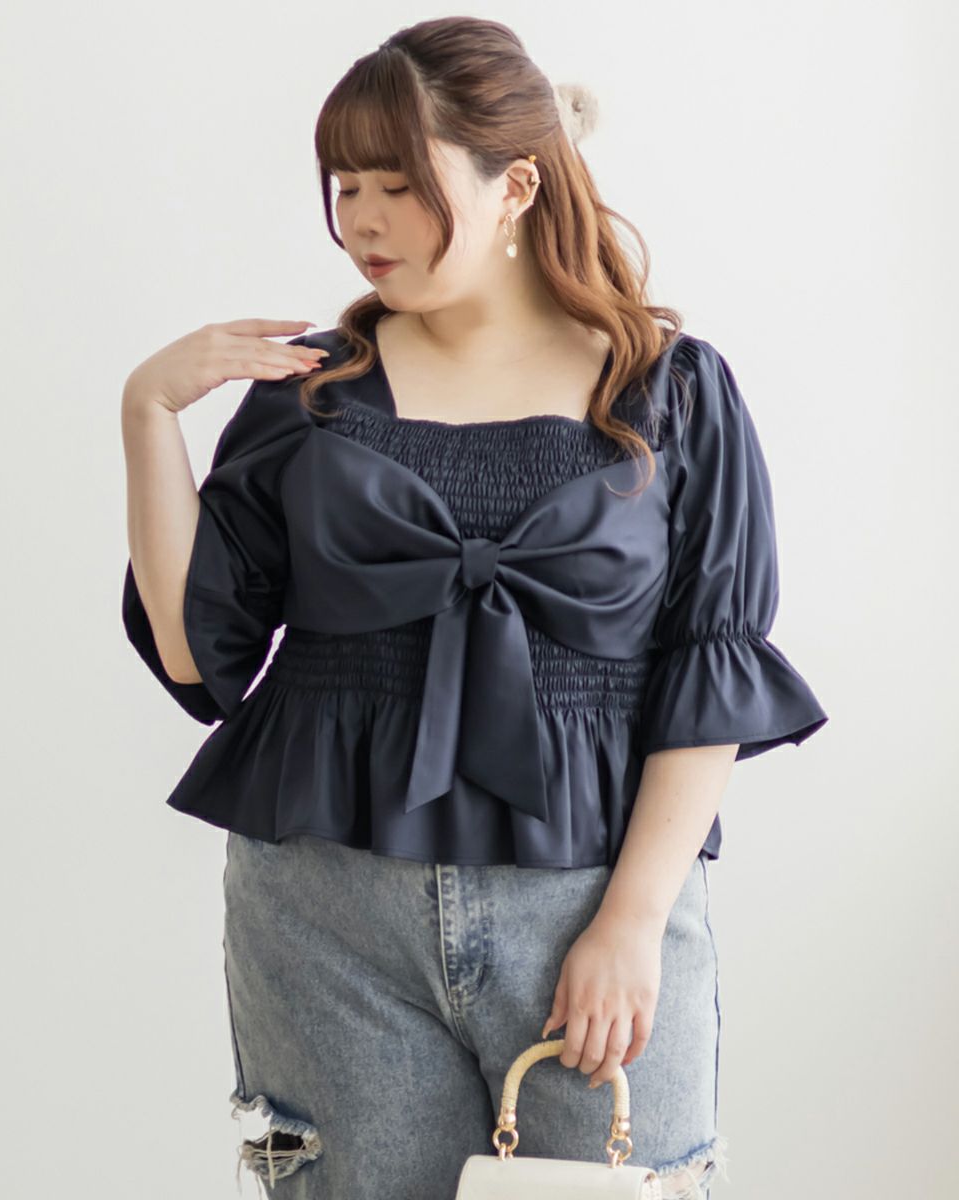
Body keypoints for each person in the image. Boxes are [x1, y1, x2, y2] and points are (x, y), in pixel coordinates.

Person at [120, 16, 828, 1200]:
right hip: (327, 916)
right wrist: (148, 413)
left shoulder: (669, 391)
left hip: (588, 904)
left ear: (518, 187)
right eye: (346, 184)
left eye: (399, 184)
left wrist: (630, 923)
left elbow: (710, 671)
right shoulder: (310, 394)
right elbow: (199, 657)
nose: (362, 220)